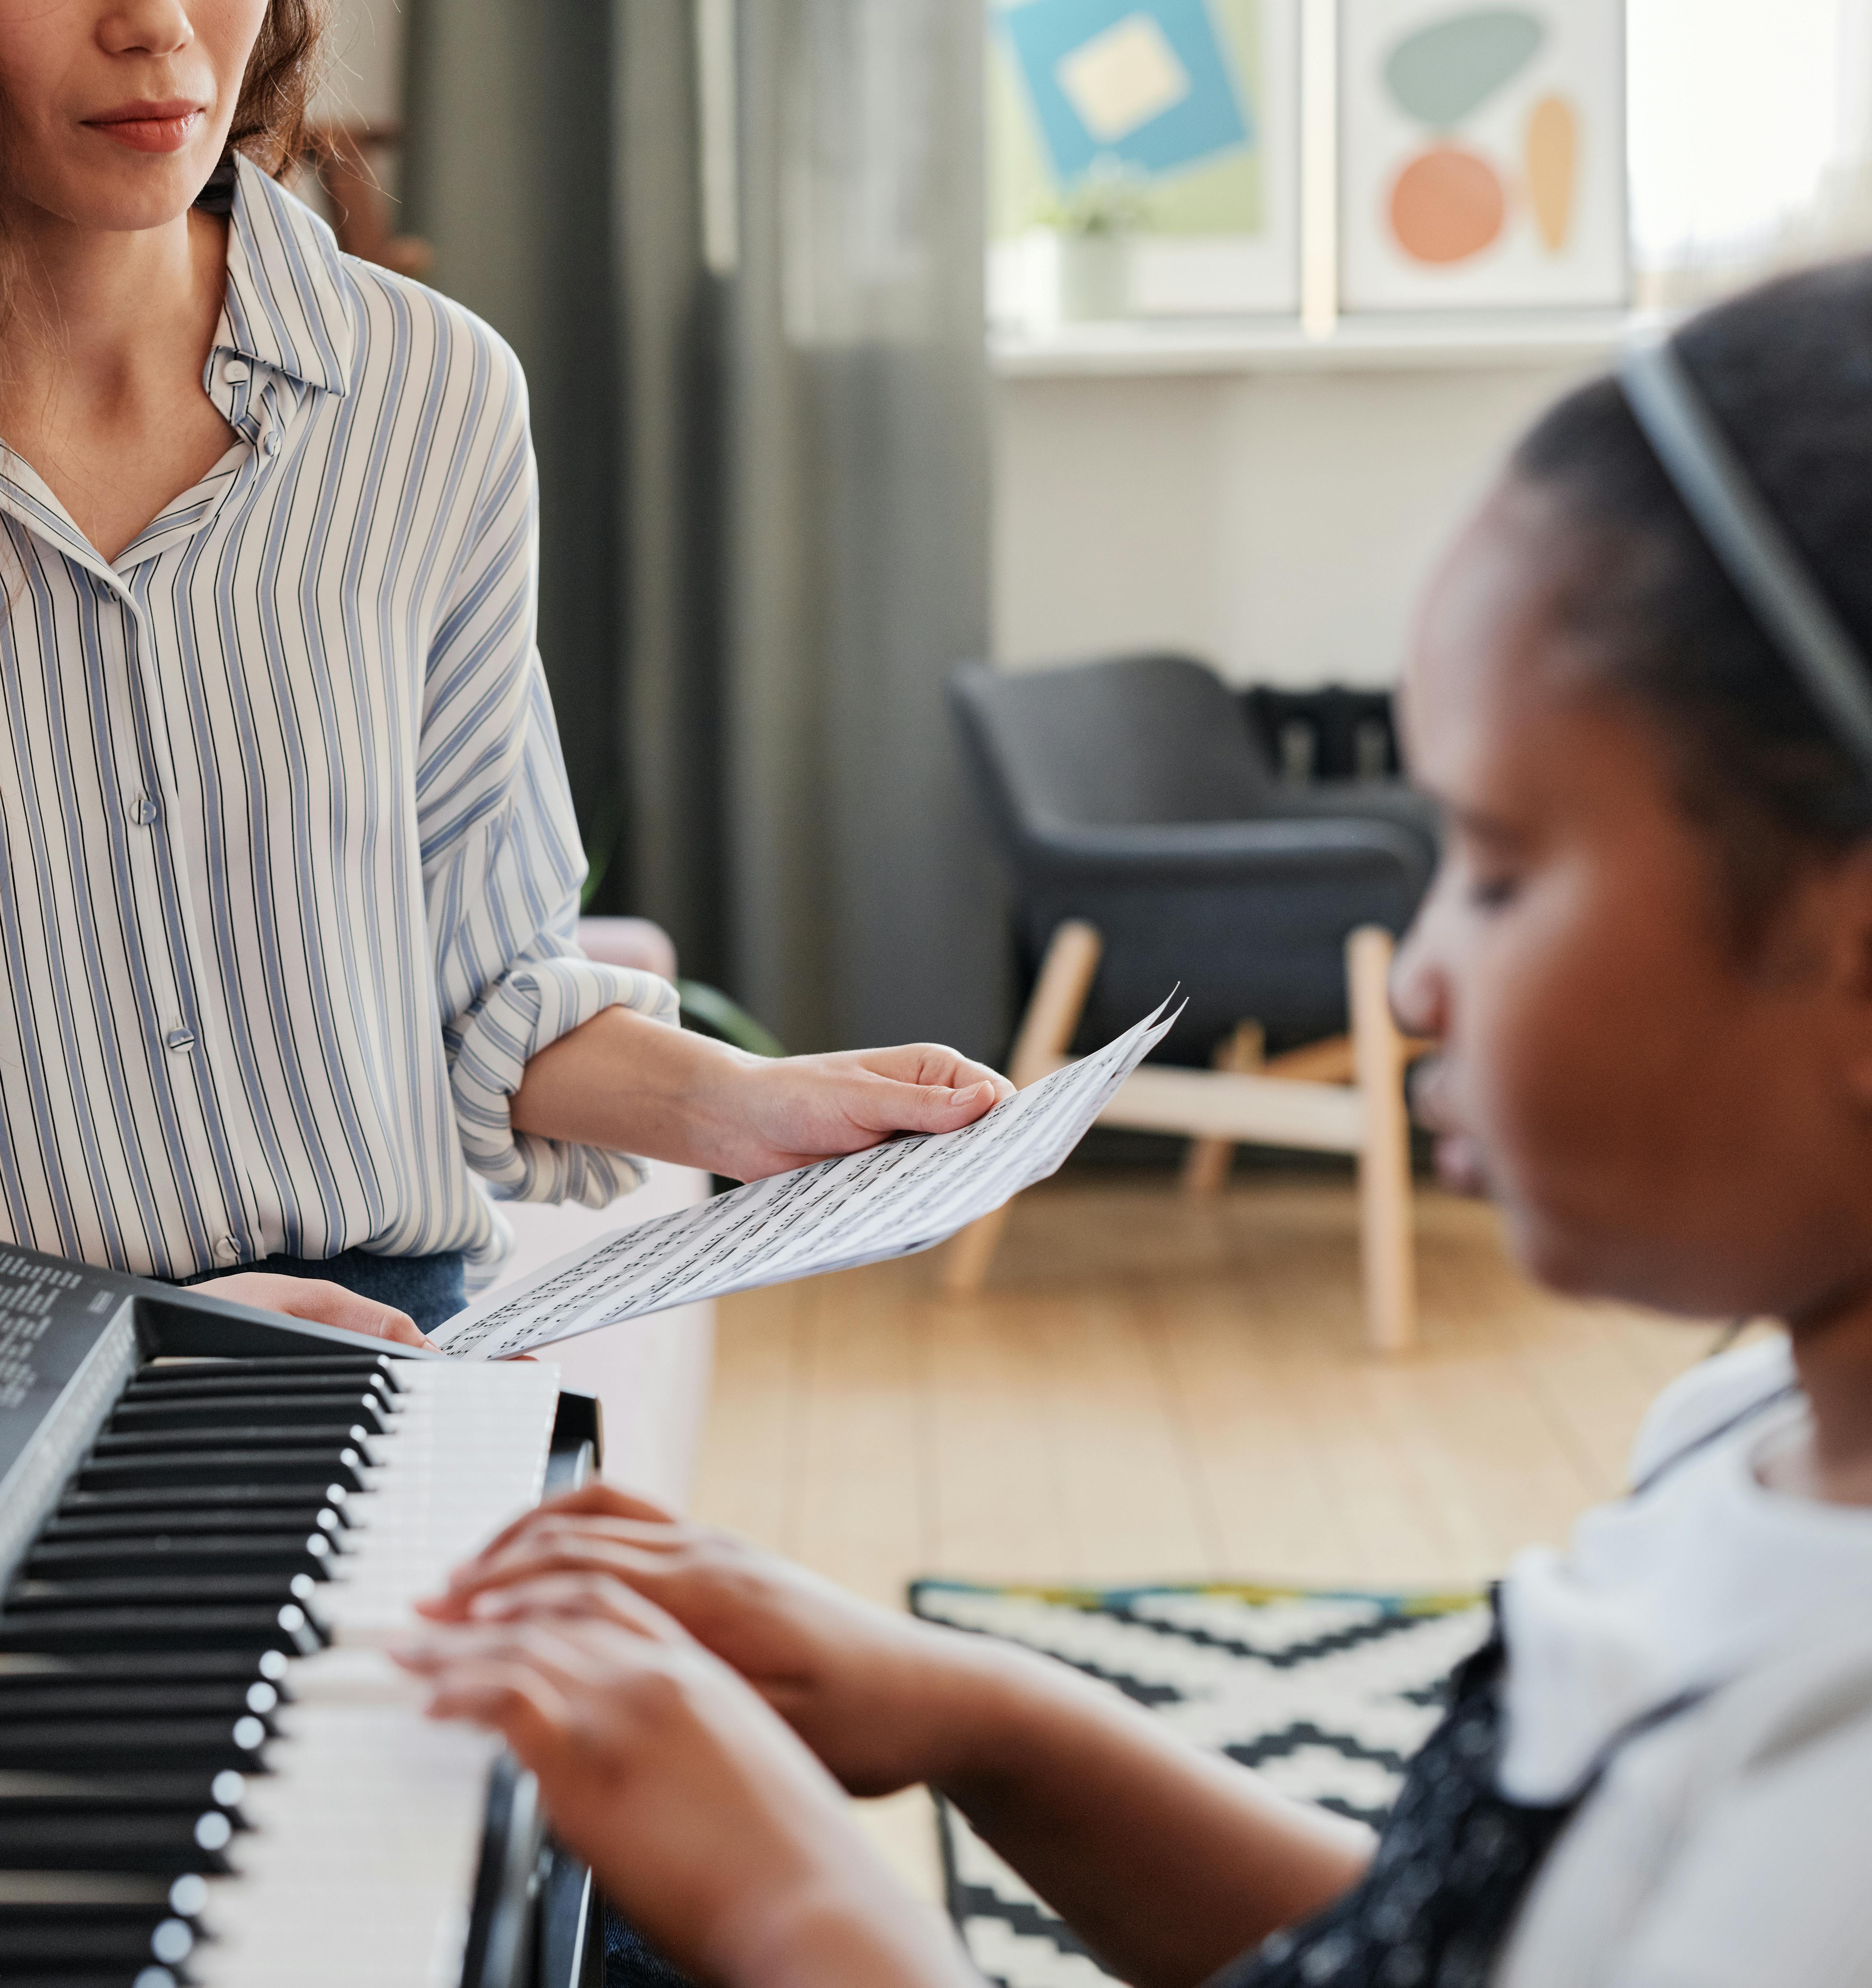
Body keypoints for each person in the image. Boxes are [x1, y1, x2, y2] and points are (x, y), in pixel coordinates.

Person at [397, 256, 1872, 1987]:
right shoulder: (1749, 1426)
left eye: (1495, 870)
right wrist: (988, 1719)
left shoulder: (1825, 1819)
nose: (1413, 986)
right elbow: (1449, 1943)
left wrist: (805, 1907)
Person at [0, 0, 1008, 1345]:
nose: (160, 31)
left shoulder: (429, 402)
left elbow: (477, 987)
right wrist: (125, 1345)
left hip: (394, 1337)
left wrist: (742, 1106)